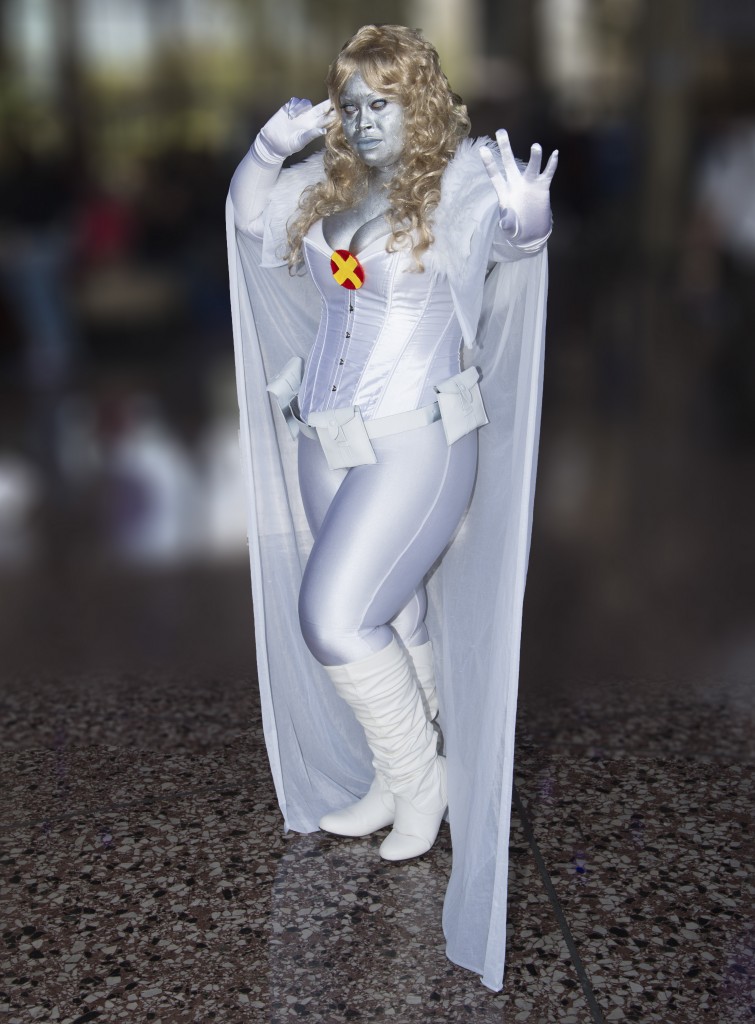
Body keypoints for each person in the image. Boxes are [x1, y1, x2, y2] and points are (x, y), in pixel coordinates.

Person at [226, 24, 556, 990]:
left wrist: (529, 218)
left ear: (422, 101)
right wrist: (263, 151)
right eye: (353, 102)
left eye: (386, 100)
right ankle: (390, 775)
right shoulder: (332, 190)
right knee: (389, 615)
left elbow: (508, 235)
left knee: (332, 617)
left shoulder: (454, 186)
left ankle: (424, 783)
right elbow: (249, 222)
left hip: (415, 442)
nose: (367, 120)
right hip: (328, 442)